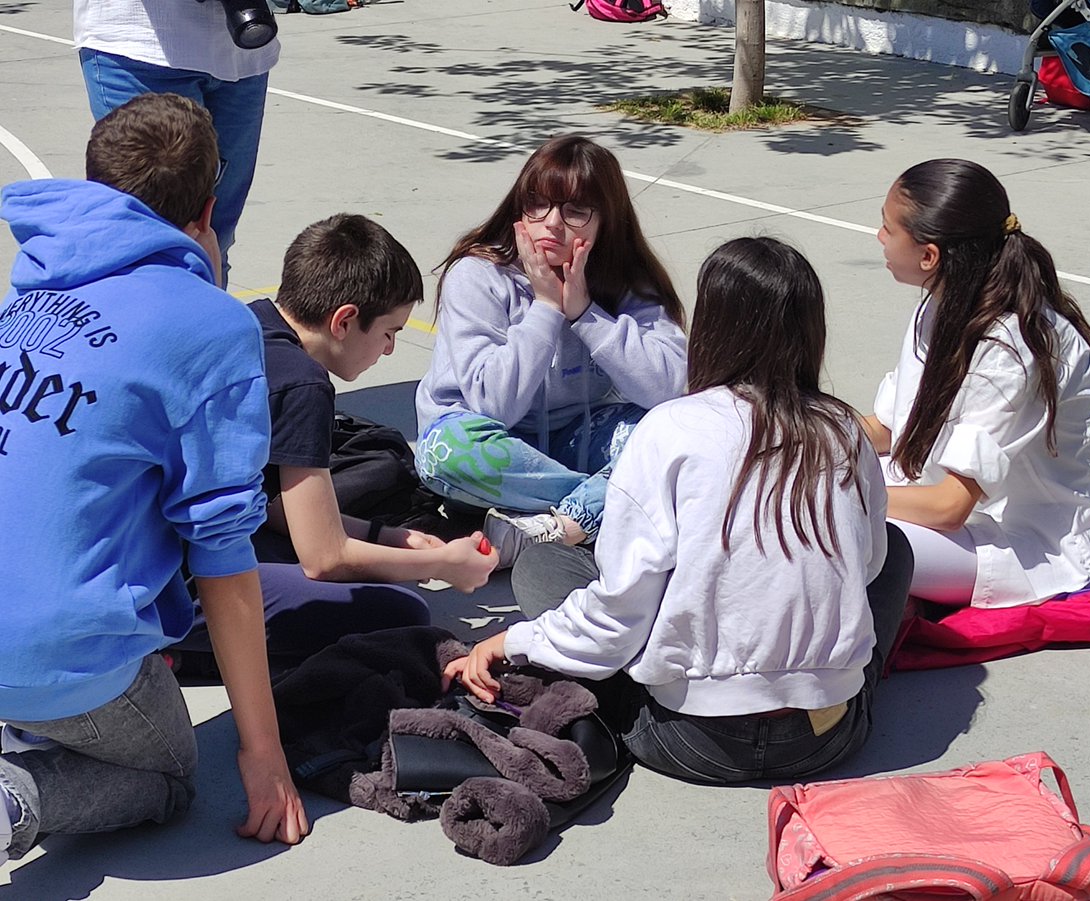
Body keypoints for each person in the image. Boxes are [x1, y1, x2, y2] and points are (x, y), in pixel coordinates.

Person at [446, 237, 914, 785]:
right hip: (828, 736)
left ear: (713, 326)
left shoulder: (671, 427)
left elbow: (618, 615)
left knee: (543, 566)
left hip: (693, 741)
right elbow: (868, 564)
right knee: (896, 546)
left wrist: (512, 641)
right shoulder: (842, 430)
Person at [0, 93, 306, 865]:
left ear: (94, 184)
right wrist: (262, 753)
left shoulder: (32, 283)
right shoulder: (210, 324)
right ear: (210, 204)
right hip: (47, 655)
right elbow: (224, 557)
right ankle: (15, 799)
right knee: (169, 774)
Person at [177, 214, 498, 668]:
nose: (389, 349)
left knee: (351, 561)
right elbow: (324, 558)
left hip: (160, 547)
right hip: (182, 580)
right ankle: (174, 653)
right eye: (390, 332)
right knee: (401, 613)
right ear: (345, 320)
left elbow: (270, 502)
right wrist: (444, 565)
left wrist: (389, 538)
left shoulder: (248, 324)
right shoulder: (304, 386)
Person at [861, 158, 1090, 608]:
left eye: (887, 228)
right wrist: (804, 434)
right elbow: (892, 428)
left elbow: (950, 508)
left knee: (836, 529)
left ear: (928, 255)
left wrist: (844, 495)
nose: (879, 237)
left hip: (1033, 542)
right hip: (948, 506)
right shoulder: (938, 303)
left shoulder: (1014, 346)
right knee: (777, 485)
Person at [414, 135, 687, 567]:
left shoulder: (625, 281)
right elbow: (493, 404)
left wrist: (585, 313)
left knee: (673, 432)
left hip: (575, 435)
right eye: (536, 204)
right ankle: (615, 503)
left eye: (575, 210)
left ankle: (559, 527)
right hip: (489, 445)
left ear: (606, 222)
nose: (552, 223)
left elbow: (670, 388)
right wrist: (545, 308)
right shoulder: (479, 275)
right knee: (444, 451)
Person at [74, 0, 280, 284]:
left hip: (241, 47)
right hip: (139, 47)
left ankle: (210, 325)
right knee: (150, 242)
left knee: (213, 237)